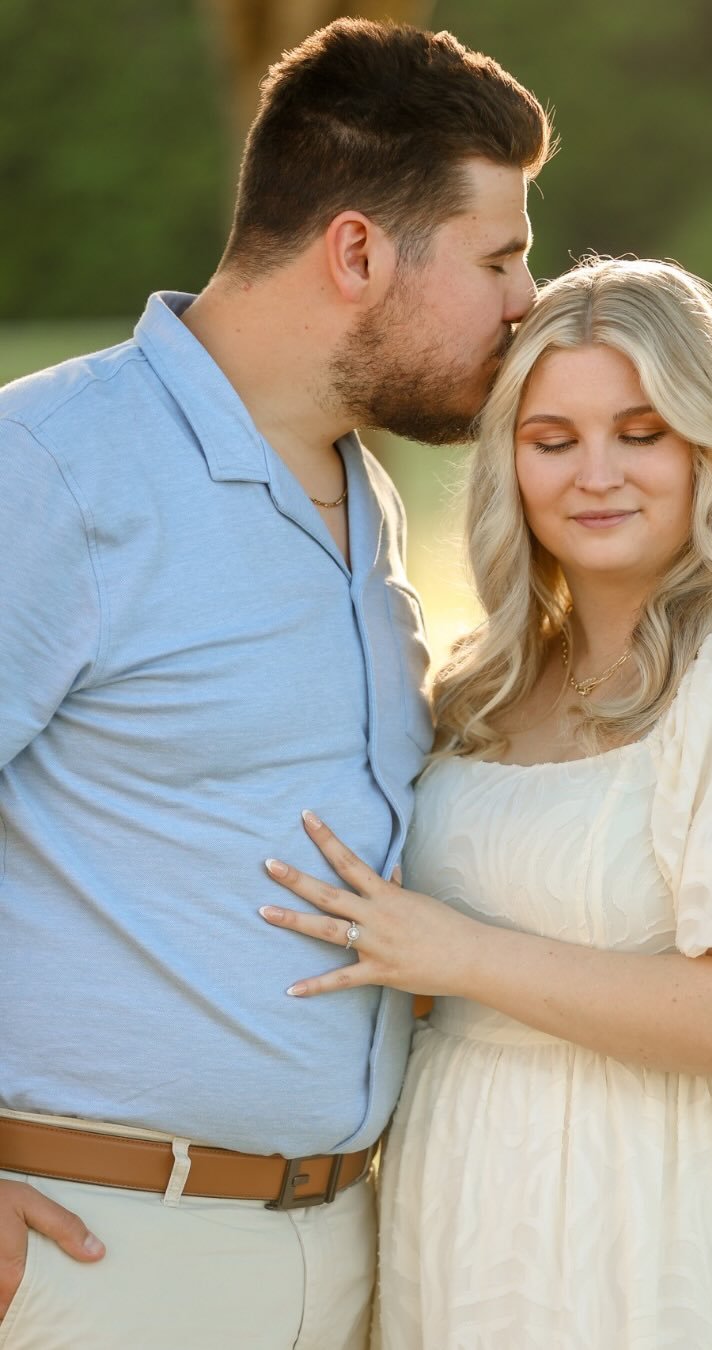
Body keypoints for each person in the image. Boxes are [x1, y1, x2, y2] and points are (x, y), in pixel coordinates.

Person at [260, 257, 712, 1348]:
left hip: (677, 1211)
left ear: (710, 445)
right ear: (511, 462)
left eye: (642, 433)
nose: (596, 475)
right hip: (468, 1206)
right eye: (553, 441)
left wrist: (455, 953)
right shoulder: (480, 689)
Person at [0, 19, 550, 1349]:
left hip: (353, 1250)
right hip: (107, 1255)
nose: (529, 301)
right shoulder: (56, 466)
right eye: (499, 258)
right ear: (357, 251)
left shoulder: (361, 495)